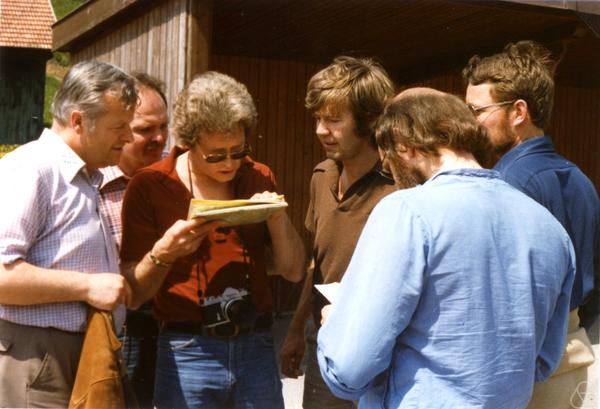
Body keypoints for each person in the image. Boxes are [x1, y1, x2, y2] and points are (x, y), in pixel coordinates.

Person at [317, 87, 575, 409]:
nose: (394, 177)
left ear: (403, 146)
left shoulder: (407, 211)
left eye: (389, 164)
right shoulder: (550, 228)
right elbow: (542, 360)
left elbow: (349, 369)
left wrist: (334, 325)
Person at [119, 71, 306, 409]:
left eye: (238, 150)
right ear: (189, 142)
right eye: (217, 155)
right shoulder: (150, 186)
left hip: (256, 346)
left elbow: (293, 272)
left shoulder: (258, 175)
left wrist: (277, 217)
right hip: (188, 349)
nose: (231, 163)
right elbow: (135, 293)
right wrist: (164, 253)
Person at [463, 40, 599, 408]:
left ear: (518, 112)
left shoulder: (503, 185)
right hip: (576, 362)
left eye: (477, 111)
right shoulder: (582, 180)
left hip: (525, 374)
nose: (470, 123)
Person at [0, 60, 137, 408]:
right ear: (78, 121)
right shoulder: (33, 169)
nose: (129, 137)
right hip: (37, 358)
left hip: (75, 353)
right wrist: (88, 286)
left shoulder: (85, 177)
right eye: (119, 126)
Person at [279, 56, 410, 409]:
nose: (321, 129)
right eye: (318, 118)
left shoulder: (400, 189)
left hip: (382, 357)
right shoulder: (321, 176)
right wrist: (295, 332)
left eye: (334, 119)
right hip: (326, 345)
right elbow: (317, 263)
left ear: (369, 121)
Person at [98, 71, 168, 408]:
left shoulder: (175, 180)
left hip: (176, 327)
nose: (159, 138)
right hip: (126, 332)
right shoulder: (94, 187)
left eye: (163, 127)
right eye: (145, 130)